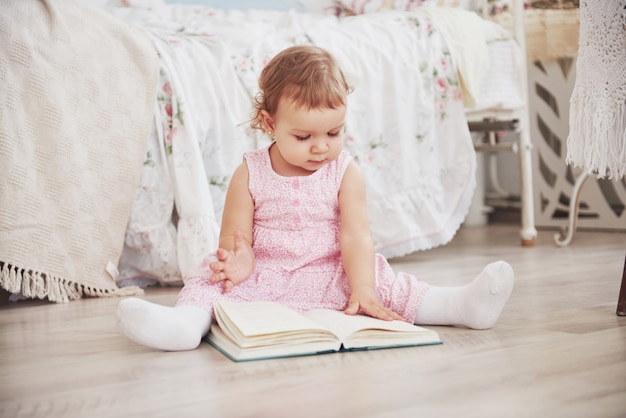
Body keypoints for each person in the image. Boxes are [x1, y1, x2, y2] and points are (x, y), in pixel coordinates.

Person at [117, 45, 514, 351]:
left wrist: (362, 288)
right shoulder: (249, 172)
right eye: (304, 137)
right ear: (270, 124)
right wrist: (238, 263)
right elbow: (235, 239)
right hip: (263, 274)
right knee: (208, 281)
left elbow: (357, 237)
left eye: (334, 133)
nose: (321, 148)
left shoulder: (345, 172)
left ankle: (461, 307)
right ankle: (185, 326)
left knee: (385, 284)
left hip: (331, 272)